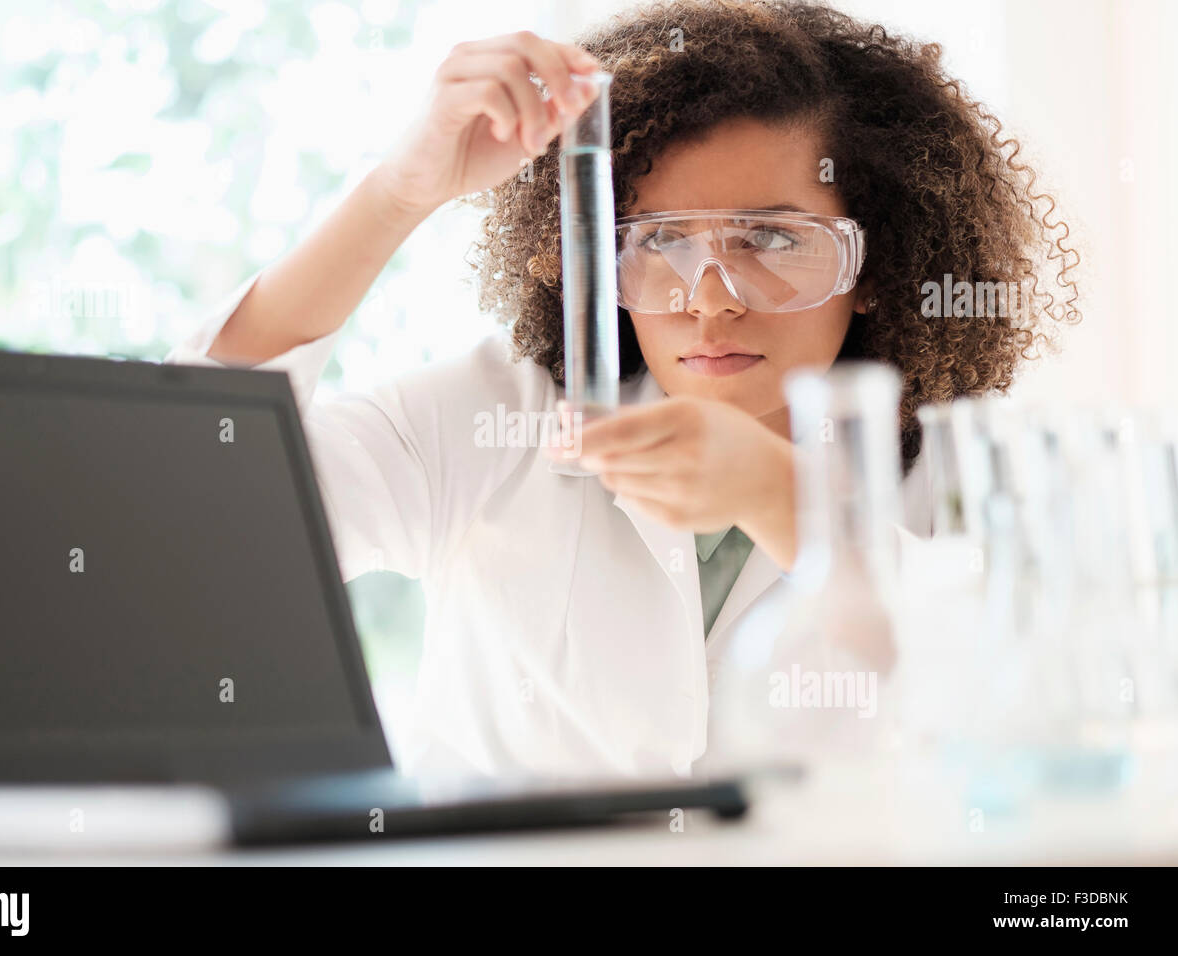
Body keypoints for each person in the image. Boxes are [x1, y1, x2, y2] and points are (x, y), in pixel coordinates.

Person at [166, 0, 1080, 781]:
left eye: (770, 239)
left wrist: (780, 495)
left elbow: (1021, 703)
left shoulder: (965, 472)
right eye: (661, 243)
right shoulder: (501, 415)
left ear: (876, 263)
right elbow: (197, 503)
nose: (710, 298)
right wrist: (399, 193)